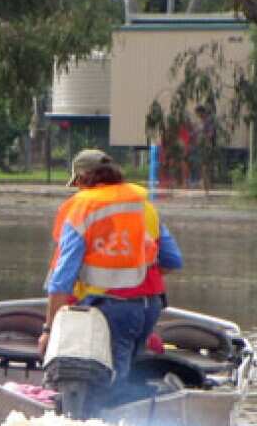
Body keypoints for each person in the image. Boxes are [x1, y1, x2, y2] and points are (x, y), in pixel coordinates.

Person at [38, 148, 184, 406]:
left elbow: (62, 280)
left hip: (109, 309)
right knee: (124, 375)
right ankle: (151, 408)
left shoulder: (83, 207)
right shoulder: (142, 205)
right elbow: (172, 261)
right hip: (149, 305)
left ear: (83, 179)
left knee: (106, 386)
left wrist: (48, 331)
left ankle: (163, 395)